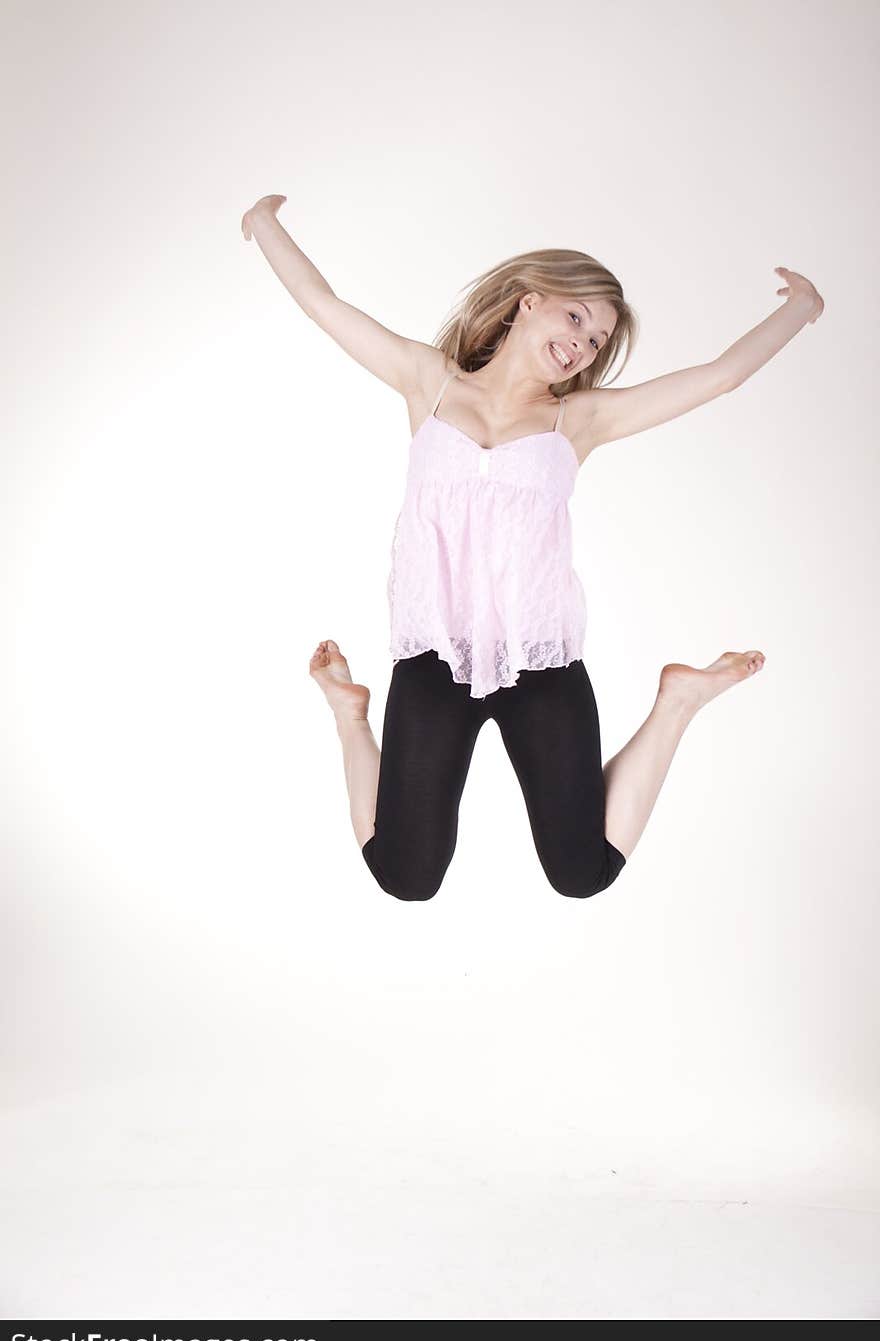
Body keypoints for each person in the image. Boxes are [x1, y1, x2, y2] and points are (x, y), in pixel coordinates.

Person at [242, 194, 824, 901]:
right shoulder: (428, 383)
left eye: (597, 340)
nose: (583, 343)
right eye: (576, 317)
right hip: (434, 654)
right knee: (406, 874)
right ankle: (348, 714)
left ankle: (678, 700)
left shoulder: (578, 419)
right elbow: (323, 304)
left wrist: (803, 307)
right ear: (528, 302)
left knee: (582, 872)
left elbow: (719, 376)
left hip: (539, 658)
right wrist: (264, 224)